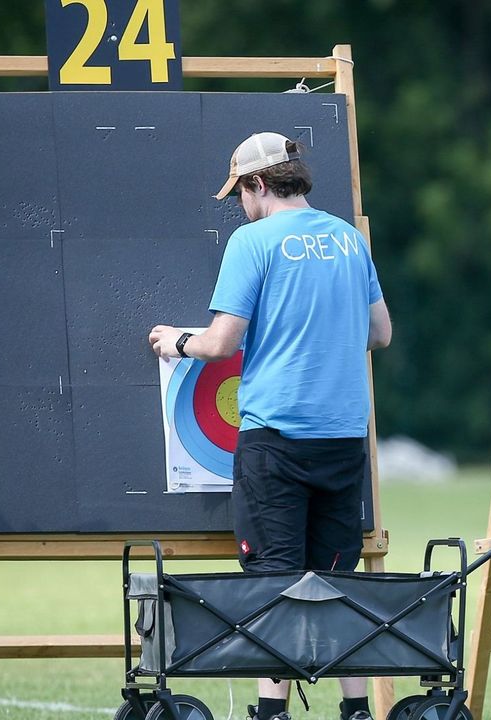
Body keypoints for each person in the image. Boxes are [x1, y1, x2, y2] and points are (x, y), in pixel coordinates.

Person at [149, 132, 392, 720]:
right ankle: (356, 709)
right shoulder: (348, 239)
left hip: (275, 439)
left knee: (274, 581)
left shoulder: (252, 240)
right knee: (336, 581)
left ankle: (272, 711)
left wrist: (175, 341)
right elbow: (379, 333)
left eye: (240, 193)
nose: (240, 205)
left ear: (259, 184)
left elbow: (222, 341)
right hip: (341, 437)